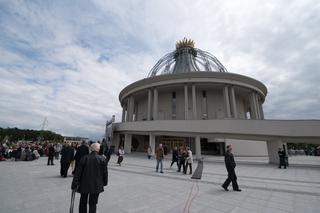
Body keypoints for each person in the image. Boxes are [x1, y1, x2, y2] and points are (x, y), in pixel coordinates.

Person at [71, 143, 108, 213]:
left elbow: (78, 173)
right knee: (93, 203)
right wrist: (105, 182)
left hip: (84, 184)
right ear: (98, 149)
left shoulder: (84, 158)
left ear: (91, 149)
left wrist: (74, 183)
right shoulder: (102, 159)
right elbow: (105, 173)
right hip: (96, 185)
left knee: (83, 202)